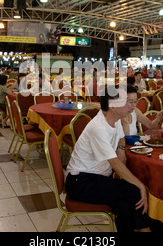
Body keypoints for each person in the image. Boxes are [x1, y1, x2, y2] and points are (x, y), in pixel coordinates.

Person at [65, 86, 152, 232]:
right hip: (80, 181)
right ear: (113, 106)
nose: (132, 105)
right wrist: (141, 186)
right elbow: (116, 164)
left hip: (98, 177)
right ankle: (147, 228)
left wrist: (122, 151)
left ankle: (144, 229)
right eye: (126, 102)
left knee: (124, 204)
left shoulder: (115, 119)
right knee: (133, 191)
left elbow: (121, 139)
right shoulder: (98, 127)